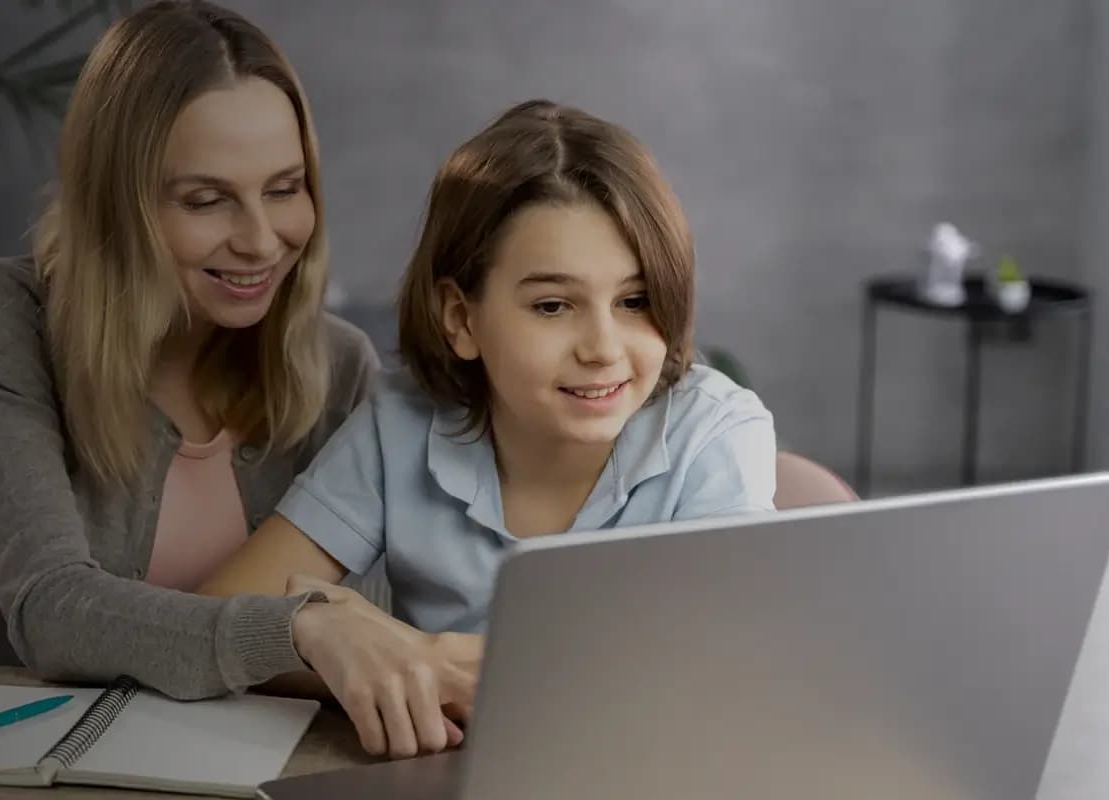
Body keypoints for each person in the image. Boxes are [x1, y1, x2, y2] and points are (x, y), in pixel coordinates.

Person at [0, 1, 473, 723]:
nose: (262, 241)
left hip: (215, 761)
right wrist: (295, 628)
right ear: (118, 205)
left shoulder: (337, 366)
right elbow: (50, 609)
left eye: (285, 189)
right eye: (207, 201)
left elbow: (354, 632)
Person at [203, 99, 779, 757]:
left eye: (634, 301)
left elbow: (715, 679)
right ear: (461, 318)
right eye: (553, 306)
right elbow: (217, 618)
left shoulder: (716, 436)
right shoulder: (401, 425)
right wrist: (337, 640)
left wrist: (422, 658)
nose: (603, 347)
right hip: (443, 791)